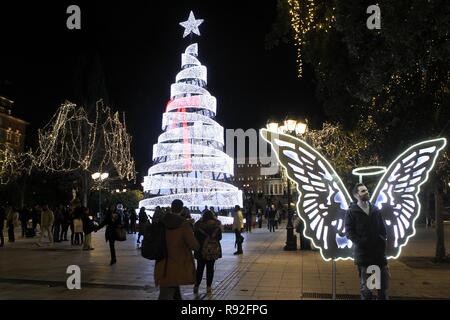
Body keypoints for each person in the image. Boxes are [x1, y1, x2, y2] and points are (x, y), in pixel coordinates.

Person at [345, 183, 389, 300]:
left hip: (378, 255)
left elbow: (382, 228)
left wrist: (382, 240)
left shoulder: (375, 210)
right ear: (356, 195)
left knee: (382, 288)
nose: (366, 192)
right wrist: (361, 242)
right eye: (363, 191)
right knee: (367, 289)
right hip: (364, 256)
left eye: (366, 190)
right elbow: (349, 232)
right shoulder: (351, 212)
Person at [155, 199, 199, 300]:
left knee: (172, 291)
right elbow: (194, 245)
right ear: (182, 209)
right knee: (166, 294)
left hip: (162, 262)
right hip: (177, 263)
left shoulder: (162, 222)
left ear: (171, 207)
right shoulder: (183, 225)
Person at [193, 210, 222, 295]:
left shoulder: (198, 225)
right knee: (210, 268)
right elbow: (219, 237)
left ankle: (196, 286)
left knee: (199, 269)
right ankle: (208, 287)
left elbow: (195, 238)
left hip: (201, 250)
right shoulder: (216, 225)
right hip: (212, 250)